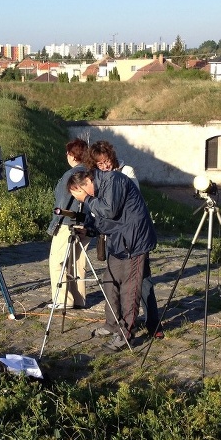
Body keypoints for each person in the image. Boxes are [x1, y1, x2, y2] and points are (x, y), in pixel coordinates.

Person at [68, 167, 157, 350]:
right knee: (109, 282)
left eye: (77, 195)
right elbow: (103, 221)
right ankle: (112, 324)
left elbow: (109, 211)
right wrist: (88, 229)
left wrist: (86, 199)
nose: (79, 200)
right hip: (118, 242)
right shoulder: (97, 192)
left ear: (85, 185)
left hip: (134, 242)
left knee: (129, 289)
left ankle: (126, 334)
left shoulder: (113, 181)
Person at [85, 141, 161, 338]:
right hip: (116, 236)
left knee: (142, 282)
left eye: (106, 161)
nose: (105, 166)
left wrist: (93, 202)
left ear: (112, 157)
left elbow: (117, 205)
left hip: (133, 236)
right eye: (100, 165)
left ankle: (152, 324)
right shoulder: (100, 177)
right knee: (115, 280)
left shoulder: (125, 172)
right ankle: (115, 323)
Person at [46, 138, 89, 310]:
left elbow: (62, 203)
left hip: (67, 223)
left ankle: (63, 300)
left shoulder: (70, 175)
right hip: (85, 223)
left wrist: (53, 225)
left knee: (58, 262)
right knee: (78, 262)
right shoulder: (90, 173)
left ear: (71, 155)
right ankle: (79, 299)